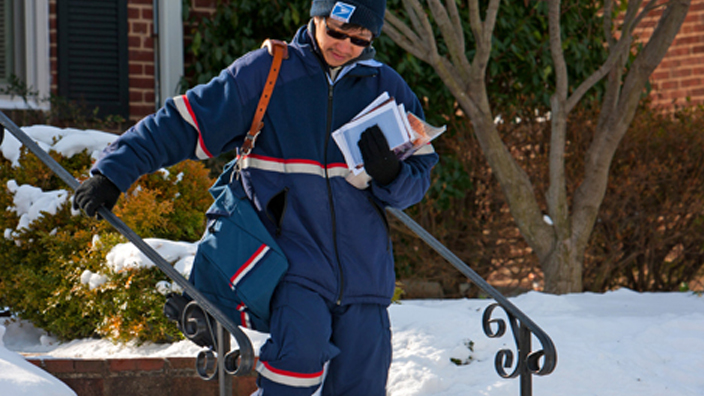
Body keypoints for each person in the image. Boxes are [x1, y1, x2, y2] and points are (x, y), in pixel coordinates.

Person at [73, 0, 438, 394]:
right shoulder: (268, 73)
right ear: (316, 18)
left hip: (368, 275)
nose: (345, 46)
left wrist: (392, 174)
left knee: (363, 386)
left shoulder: (387, 87)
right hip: (296, 265)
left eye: (359, 38)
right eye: (336, 31)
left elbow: (418, 180)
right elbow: (182, 123)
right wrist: (112, 173)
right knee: (294, 366)